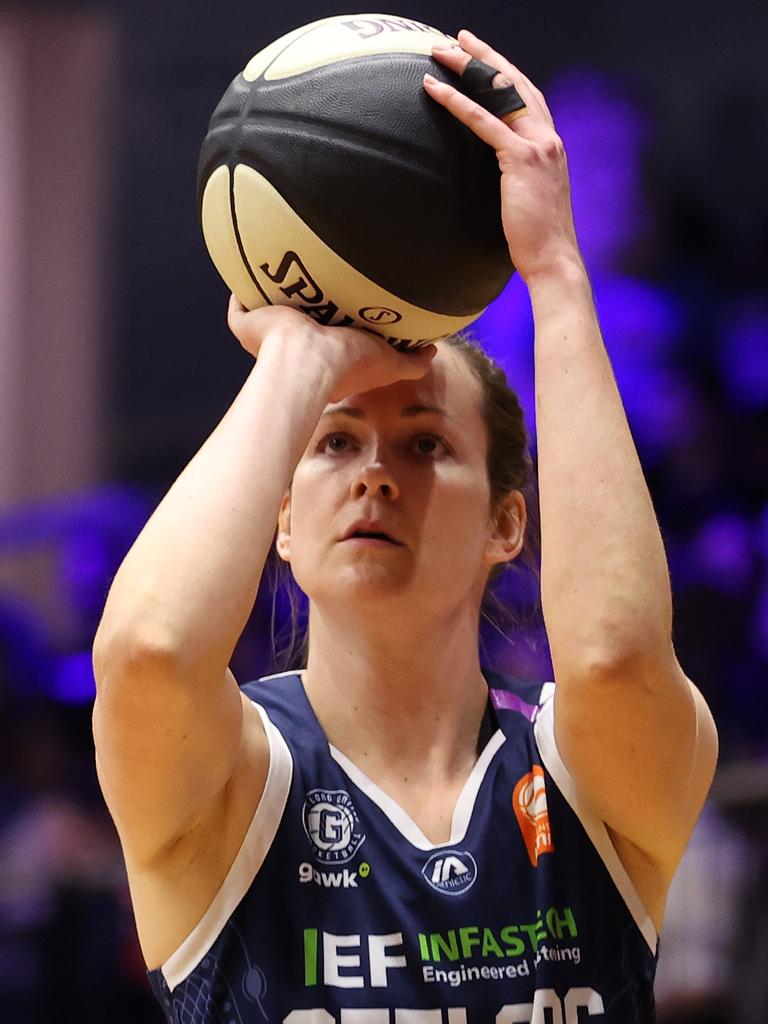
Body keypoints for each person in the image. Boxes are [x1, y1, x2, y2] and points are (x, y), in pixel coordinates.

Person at [91, 29, 718, 1023]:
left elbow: (613, 655)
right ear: (280, 519)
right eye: (336, 445)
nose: (377, 472)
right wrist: (300, 358)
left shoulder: (580, 768)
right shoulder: (236, 780)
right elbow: (149, 653)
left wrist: (553, 270)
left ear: (510, 523)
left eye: (425, 444)